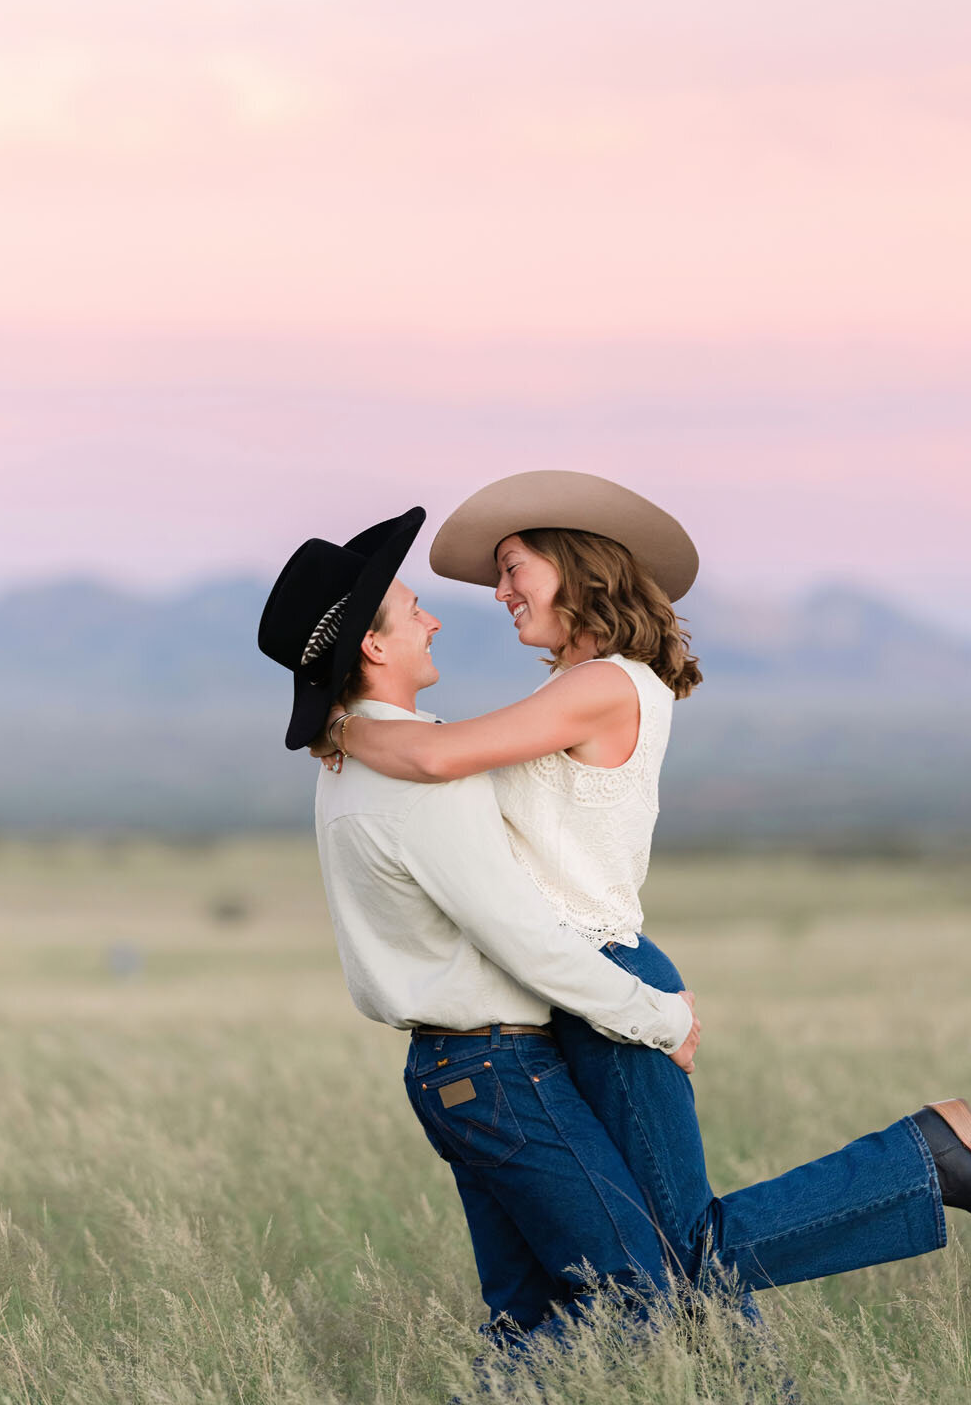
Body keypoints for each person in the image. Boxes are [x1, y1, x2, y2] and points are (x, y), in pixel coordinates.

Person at [315, 471, 971, 1315]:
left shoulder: (606, 684)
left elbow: (437, 757)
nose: (499, 592)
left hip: (605, 976)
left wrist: (338, 721)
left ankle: (926, 1156)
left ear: (577, 566)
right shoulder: (568, 687)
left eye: (512, 568)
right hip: (570, 986)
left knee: (674, 1256)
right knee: (655, 1260)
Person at [257, 505, 708, 1361]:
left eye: (510, 569)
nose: (436, 618)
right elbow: (520, 933)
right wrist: (661, 1016)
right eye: (411, 610)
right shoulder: (411, 760)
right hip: (502, 1061)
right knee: (645, 1288)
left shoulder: (354, 760)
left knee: (532, 1313)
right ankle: (909, 1169)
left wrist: (337, 720)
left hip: (456, 1065)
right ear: (374, 646)